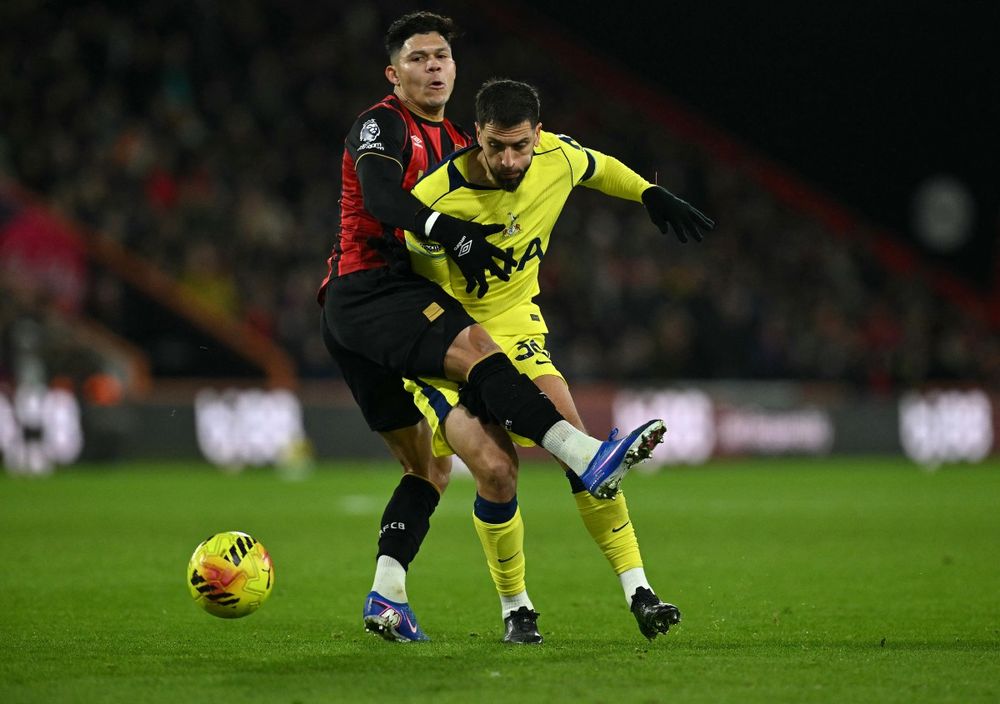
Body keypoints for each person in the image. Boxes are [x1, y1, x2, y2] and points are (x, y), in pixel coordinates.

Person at [318, 13, 667, 643]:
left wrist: (645, 192)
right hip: (374, 291)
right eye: (419, 58)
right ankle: (584, 455)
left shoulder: (462, 141)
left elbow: (577, 169)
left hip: (376, 307)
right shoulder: (385, 123)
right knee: (478, 349)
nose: (433, 67)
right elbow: (379, 198)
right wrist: (452, 233)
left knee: (427, 471)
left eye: (442, 56)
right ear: (393, 73)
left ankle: (386, 595)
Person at [401, 78, 715, 643]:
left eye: (520, 145)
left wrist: (647, 192)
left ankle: (640, 592)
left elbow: (598, 166)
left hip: (516, 329)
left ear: (537, 135)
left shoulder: (557, 158)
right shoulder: (434, 201)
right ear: (477, 136)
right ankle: (516, 608)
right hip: (446, 346)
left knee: (580, 450)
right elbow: (406, 288)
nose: (509, 159)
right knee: (497, 474)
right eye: (496, 146)